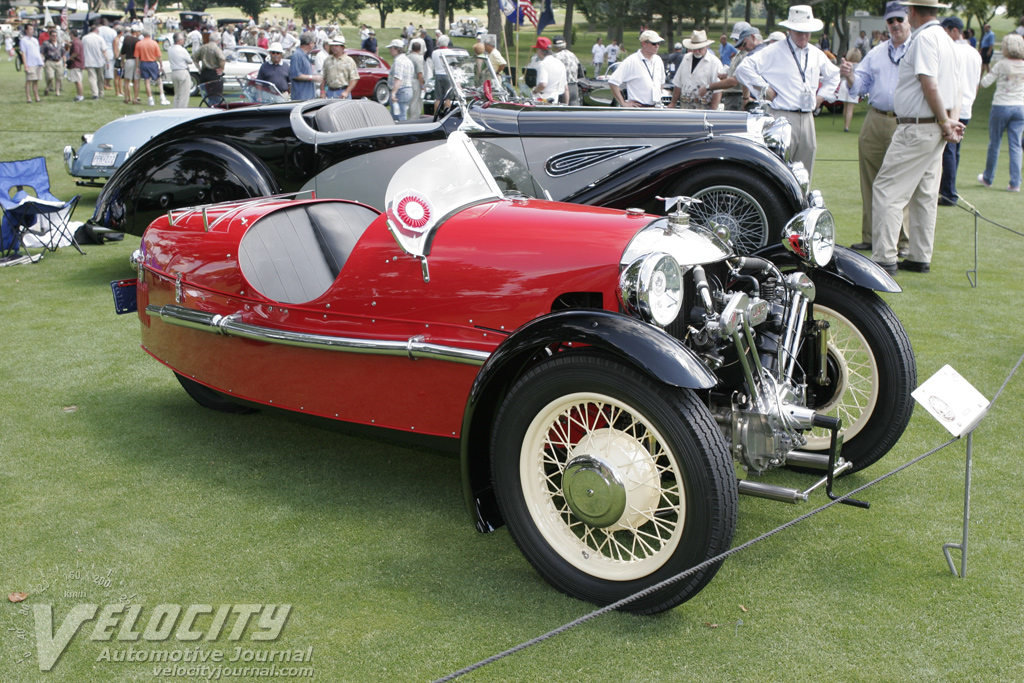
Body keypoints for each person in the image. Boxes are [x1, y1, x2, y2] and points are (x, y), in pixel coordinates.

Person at [870, 0, 964, 275]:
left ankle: (884, 258)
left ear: (912, 11)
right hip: (935, 127)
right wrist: (949, 121)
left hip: (918, 126)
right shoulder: (946, 39)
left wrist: (946, 122)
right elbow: (956, 88)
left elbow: (929, 84)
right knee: (925, 193)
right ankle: (919, 255)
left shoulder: (924, 39)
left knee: (887, 190)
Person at [736, 5, 839, 182]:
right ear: (790, 30)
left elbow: (834, 76)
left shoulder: (816, 54)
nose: (803, 36)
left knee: (804, 174)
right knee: (778, 172)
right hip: (781, 116)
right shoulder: (774, 51)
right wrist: (764, 89)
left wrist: (821, 97)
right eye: (799, 31)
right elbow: (743, 69)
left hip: (807, 118)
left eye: (807, 32)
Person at [841, 0, 912, 254]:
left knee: (901, 183)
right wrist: (850, 75)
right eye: (890, 21)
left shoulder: (918, 49)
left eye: (899, 19)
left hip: (904, 121)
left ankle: (903, 241)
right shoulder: (877, 52)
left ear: (909, 20)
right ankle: (870, 236)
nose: (895, 25)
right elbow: (860, 84)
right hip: (875, 118)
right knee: (870, 180)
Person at [939, 16, 982, 204]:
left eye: (945, 31)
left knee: (948, 150)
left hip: (952, 105)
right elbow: (977, 82)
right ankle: (948, 188)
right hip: (967, 106)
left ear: (954, 31)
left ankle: (948, 192)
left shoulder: (952, 50)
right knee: (954, 150)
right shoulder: (975, 53)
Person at [977, 33, 1024, 192]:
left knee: (994, 144)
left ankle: (988, 178)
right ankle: (1015, 182)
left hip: (1001, 106)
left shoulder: (1001, 64)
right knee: (1016, 145)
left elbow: (985, 83)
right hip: (1020, 107)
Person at [704, 25, 764, 111]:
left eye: (743, 42)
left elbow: (736, 81)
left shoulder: (749, 55)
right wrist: (727, 76)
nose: (737, 44)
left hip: (738, 96)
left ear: (752, 37)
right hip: (735, 96)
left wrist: (708, 87)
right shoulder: (740, 53)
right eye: (735, 40)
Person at [608, 30, 666, 107]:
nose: (657, 46)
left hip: (655, 107)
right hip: (638, 108)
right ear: (644, 44)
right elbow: (613, 81)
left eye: (658, 43)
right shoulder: (631, 61)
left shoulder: (658, 60)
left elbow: (662, 82)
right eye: (654, 43)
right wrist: (623, 103)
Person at [670, 29, 723, 110]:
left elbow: (718, 90)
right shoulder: (686, 58)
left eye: (700, 48)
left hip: (704, 108)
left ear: (706, 46)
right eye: (694, 48)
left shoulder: (715, 63)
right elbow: (678, 83)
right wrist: (673, 103)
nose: (697, 51)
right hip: (684, 108)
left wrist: (713, 111)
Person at [530, 36, 567, 104]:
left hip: (544, 100)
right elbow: (565, 87)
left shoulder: (543, 64)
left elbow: (543, 84)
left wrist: (535, 90)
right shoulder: (560, 63)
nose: (536, 53)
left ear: (540, 51)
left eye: (536, 50)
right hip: (557, 99)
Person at [193, 30, 226, 102]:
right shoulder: (216, 48)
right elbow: (222, 59)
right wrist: (222, 69)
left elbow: (194, 58)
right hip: (214, 73)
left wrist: (199, 68)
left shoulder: (203, 47)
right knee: (216, 96)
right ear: (218, 40)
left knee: (208, 95)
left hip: (204, 73)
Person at [386, 39, 414, 120]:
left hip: (400, 91)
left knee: (399, 117)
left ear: (396, 49)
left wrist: (393, 93)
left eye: (391, 48)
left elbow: (398, 78)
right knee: (400, 114)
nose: (390, 50)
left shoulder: (398, 61)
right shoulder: (407, 60)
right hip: (408, 89)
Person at [289, 32, 321, 101]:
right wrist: (312, 77)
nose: (314, 45)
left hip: (308, 97)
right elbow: (295, 75)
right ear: (310, 44)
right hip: (300, 98)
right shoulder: (297, 55)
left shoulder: (305, 55)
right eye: (314, 43)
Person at [82, 23, 108, 99]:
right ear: (96, 30)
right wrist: (107, 60)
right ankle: (101, 92)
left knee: (92, 78)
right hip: (99, 61)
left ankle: (95, 94)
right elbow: (104, 50)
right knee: (100, 78)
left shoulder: (84, 38)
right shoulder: (100, 38)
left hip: (89, 61)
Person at [838, 47, 862, 132]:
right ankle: (847, 126)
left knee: (845, 106)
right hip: (852, 85)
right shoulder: (859, 66)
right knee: (850, 107)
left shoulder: (846, 64)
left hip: (844, 84)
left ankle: (845, 124)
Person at [552, 36, 580, 105]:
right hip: (574, 86)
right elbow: (580, 71)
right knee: (574, 109)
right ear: (565, 43)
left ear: (554, 46)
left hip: (563, 88)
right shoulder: (572, 55)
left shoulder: (555, 57)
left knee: (562, 110)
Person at [167, 32, 192, 108]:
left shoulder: (170, 49)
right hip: (182, 71)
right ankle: (182, 110)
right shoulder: (182, 50)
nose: (184, 40)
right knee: (184, 95)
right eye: (183, 39)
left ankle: (175, 109)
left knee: (177, 94)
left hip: (174, 72)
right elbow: (190, 61)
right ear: (180, 40)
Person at [20, 25, 43, 103]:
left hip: (37, 62)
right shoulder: (24, 40)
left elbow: (38, 52)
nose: (32, 30)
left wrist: (41, 61)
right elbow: (23, 53)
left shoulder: (35, 40)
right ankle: (29, 98)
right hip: (30, 63)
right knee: (29, 81)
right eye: (30, 29)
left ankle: (37, 97)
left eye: (32, 29)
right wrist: (25, 65)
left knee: (36, 81)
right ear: (26, 30)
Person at [121, 24, 140, 103]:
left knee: (126, 80)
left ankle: (126, 98)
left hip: (128, 60)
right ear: (136, 32)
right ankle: (135, 98)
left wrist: (122, 62)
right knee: (136, 80)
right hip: (136, 61)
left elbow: (122, 52)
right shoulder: (138, 41)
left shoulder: (126, 39)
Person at [41, 29, 64, 96]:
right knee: (50, 76)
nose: (55, 37)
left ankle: (57, 91)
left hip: (58, 61)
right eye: (53, 35)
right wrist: (42, 61)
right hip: (49, 61)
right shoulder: (46, 43)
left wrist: (65, 62)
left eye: (56, 35)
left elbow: (63, 53)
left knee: (59, 77)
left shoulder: (59, 43)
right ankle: (48, 87)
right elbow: (42, 53)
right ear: (50, 36)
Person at [407, 39, 425, 117]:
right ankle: (414, 117)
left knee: (410, 101)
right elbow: (419, 73)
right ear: (420, 49)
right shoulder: (419, 58)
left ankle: (409, 115)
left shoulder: (407, 57)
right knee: (416, 101)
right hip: (415, 81)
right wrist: (422, 85)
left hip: (408, 80)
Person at [66, 29, 85, 102]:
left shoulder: (75, 42)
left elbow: (76, 52)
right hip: (80, 63)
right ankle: (78, 95)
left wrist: (70, 57)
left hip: (76, 63)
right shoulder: (79, 41)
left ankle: (80, 96)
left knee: (77, 80)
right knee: (77, 80)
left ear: (72, 34)